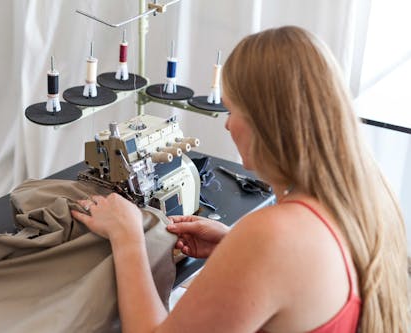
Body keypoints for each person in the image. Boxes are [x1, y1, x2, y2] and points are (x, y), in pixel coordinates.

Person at [71, 26, 409, 333]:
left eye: (233, 111)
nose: (227, 125)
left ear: (268, 123)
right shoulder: (367, 197)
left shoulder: (273, 235)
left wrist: (127, 236)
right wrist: (232, 246)